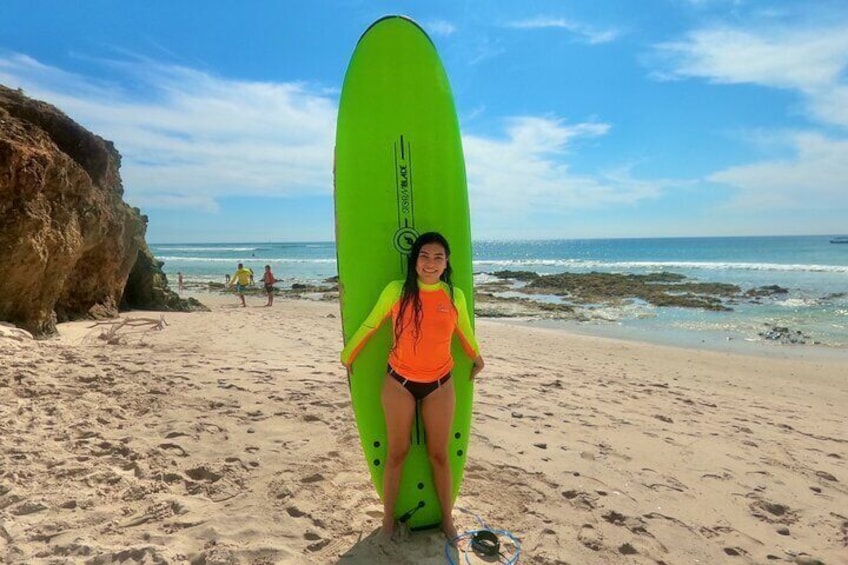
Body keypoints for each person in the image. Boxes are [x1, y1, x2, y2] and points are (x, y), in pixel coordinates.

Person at [340, 232, 485, 541]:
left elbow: (465, 331)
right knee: (397, 453)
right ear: (414, 260)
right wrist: (348, 354)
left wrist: (477, 356)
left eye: (438, 257)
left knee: (439, 455)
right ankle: (388, 522)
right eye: (424, 256)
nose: (430, 263)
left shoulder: (453, 295)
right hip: (399, 383)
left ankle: (447, 519)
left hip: (440, 384)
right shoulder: (397, 291)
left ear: (446, 263)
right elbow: (371, 323)